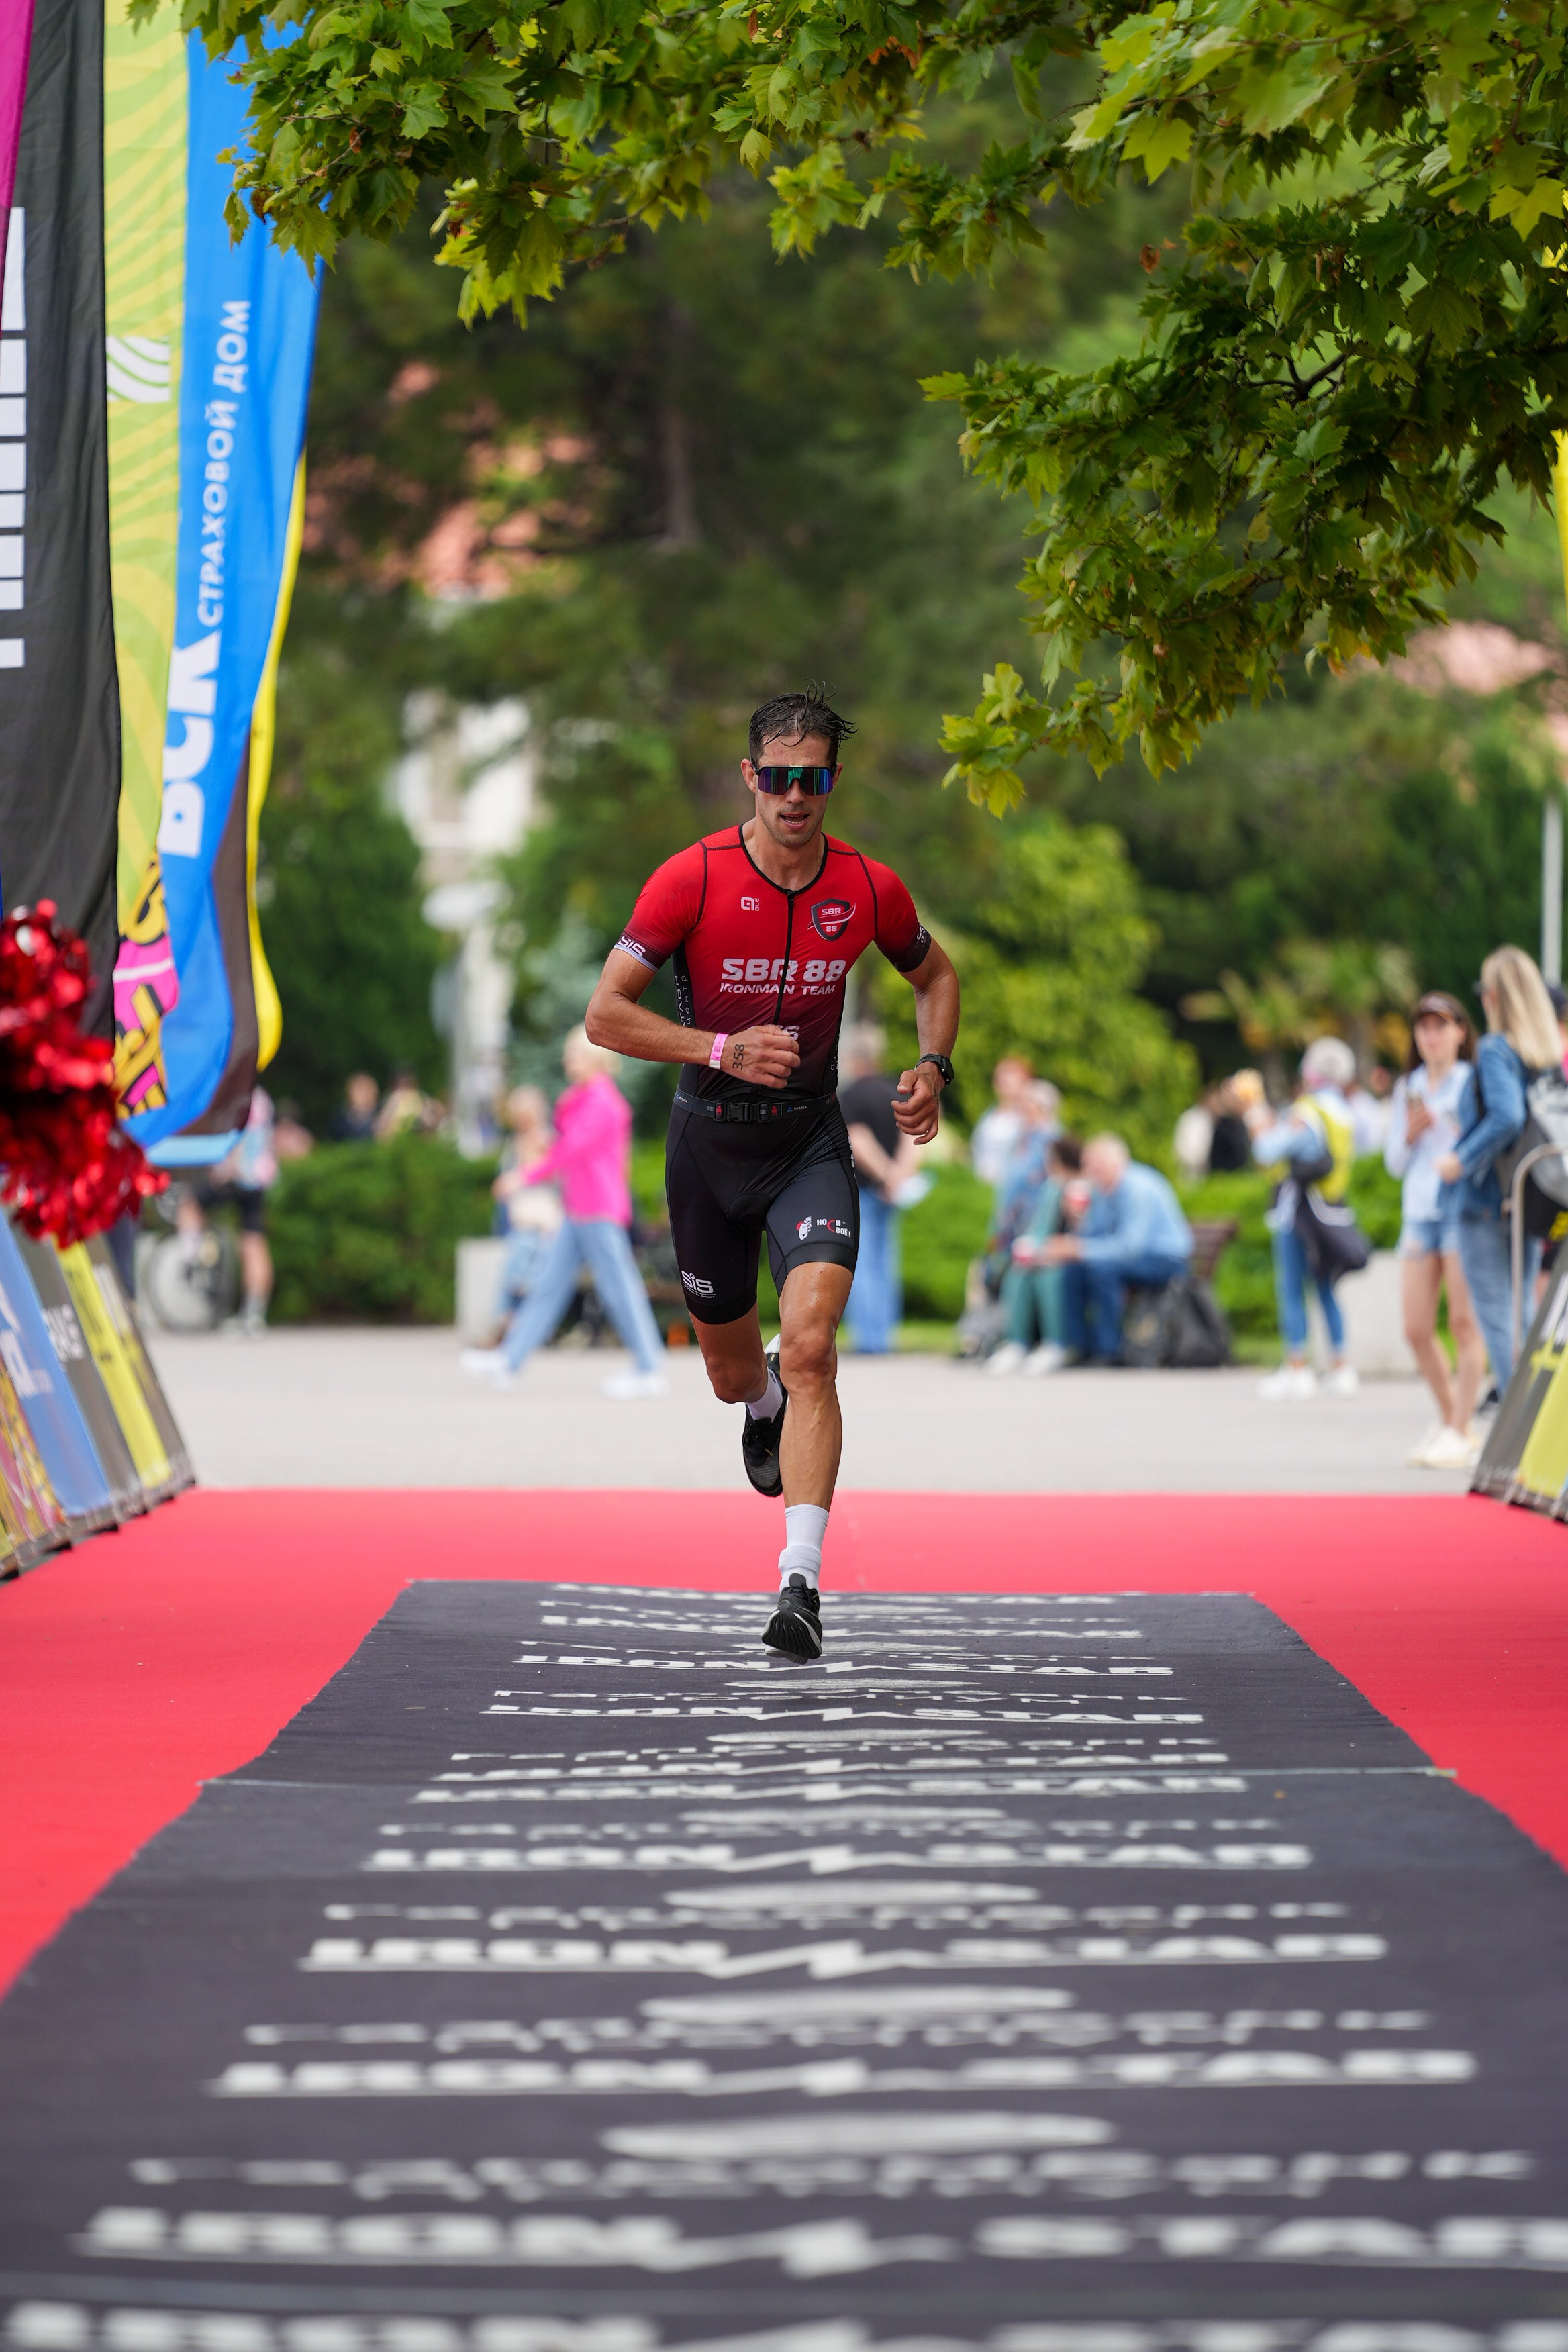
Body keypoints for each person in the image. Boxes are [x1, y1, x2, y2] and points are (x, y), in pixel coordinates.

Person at [583, 686, 959, 1661]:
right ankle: (760, 1413)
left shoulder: (868, 886)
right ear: (753, 776)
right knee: (733, 1372)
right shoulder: (690, 879)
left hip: (807, 1147)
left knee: (812, 1347)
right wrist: (716, 1047)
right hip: (709, 1147)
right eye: (780, 777)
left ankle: (800, 1583)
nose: (797, 796)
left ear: (834, 779)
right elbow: (604, 1016)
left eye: (815, 778)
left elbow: (937, 976)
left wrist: (934, 1067)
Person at [459, 1030, 668, 1398]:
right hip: (578, 1209)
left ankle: (649, 1369)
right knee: (547, 1287)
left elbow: (569, 1151)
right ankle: (509, 1362)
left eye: (574, 1054)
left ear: (596, 1059)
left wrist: (522, 1176)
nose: (567, 1060)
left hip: (598, 1209)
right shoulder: (582, 1098)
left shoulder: (603, 1101)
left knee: (619, 1289)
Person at [1435, 944, 1562, 1392]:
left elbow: (1506, 1117)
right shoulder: (1545, 1053)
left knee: (1498, 1320)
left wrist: (1461, 1158)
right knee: (1523, 1316)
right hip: (1528, 1196)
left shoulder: (1495, 1048)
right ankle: (1535, 1430)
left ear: (1496, 996)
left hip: (1486, 1201)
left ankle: (1517, 1435)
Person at [1385, 993, 1485, 1469]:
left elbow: (1485, 1139)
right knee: (1415, 1327)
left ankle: (1461, 1426)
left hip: (1462, 1207)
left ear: (1461, 1032)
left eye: (1441, 1026)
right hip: (1420, 1211)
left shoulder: (1472, 1081)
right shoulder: (1409, 1085)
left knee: (1464, 1322)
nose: (1432, 1035)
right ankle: (1452, 1420)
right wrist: (1410, 1132)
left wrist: (1448, 1129)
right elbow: (1394, 1163)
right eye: (1424, 1026)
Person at [1250, 1034, 1359, 1400]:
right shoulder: (1344, 1112)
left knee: (1291, 1288)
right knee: (1326, 1288)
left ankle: (1297, 1368)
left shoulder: (1307, 1112)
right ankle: (1341, 1366)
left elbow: (1266, 1151)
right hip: (1332, 1209)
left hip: (1298, 1211)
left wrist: (1255, 1114)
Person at [1038, 1132, 1191, 1364]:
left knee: (1102, 1270)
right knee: (1074, 1271)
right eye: (1087, 1165)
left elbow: (1130, 1247)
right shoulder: (1103, 1190)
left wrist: (1079, 1249)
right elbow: (1096, 1236)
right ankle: (1079, 1346)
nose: (1089, 1171)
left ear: (1115, 1162)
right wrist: (1076, 1227)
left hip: (1165, 1259)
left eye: (1094, 1165)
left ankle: (1109, 1350)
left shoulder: (1138, 1188)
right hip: (1133, 1257)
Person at [839, 1023, 923, 1354]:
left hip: (865, 1188)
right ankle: (885, 1335)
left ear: (856, 1059)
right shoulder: (897, 1090)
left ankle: (869, 1339)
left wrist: (887, 1176)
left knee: (862, 1263)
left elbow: (859, 1141)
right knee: (886, 1262)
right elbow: (913, 1139)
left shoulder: (853, 1094)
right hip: (892, 1192)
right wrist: (900, 1177)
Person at [180, 1085, 279, 1336]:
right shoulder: (262, 1097)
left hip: (237, 1174)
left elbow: (239, 1135)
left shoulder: (238, 1090)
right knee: (253, 1241)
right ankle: (254, 1314)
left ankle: (192, 1259)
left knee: (190, 1205)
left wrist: (226, 1169)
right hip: (258, 1178)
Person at [987, 1133, 1083, 1375]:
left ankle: (1056, 1343)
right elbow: (1040, 1229)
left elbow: (1085, 1232)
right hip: (1049, 1252)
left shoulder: (1082, 1187)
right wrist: (1031, 1248)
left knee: (1049, 1276)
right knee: (1018, 1273)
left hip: (1074, 1256)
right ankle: (1016, 1343)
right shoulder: (1052, 1188)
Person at [491, 1085, 564, 1323]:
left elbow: (552, 1173)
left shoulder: (545, 1140)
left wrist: (518, 1177)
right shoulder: (514, 1143)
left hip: (542, 1220)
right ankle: (510, 1320)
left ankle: (506, 1321)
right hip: (520, 1218)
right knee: (520, 1253)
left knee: (523, 1257)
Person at [970, 1057, 1034, 1189]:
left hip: (1009, 1187)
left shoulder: (1029, 1118)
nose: (1004, 1085)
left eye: (1010, 1081)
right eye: (1001, 1080)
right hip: (981, 1184)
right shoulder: (989, 1114)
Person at [330, 1073, 379, 1142]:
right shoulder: (340, 1118)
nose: (362, 1095)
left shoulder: (381, 1116)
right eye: (359, 1090)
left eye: (365, 1090)